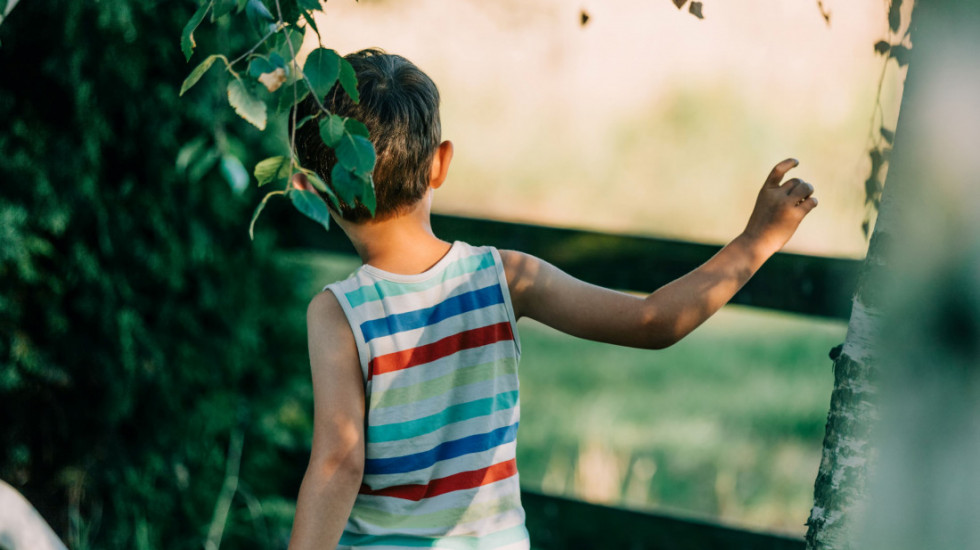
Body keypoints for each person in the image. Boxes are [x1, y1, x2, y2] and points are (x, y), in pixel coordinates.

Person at [286, 48, 817, 550]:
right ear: (440, 164)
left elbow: (339, 464)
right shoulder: (504, 276)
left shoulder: (338, 314)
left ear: (310, 186)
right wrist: (756, 241)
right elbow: (654, 320)